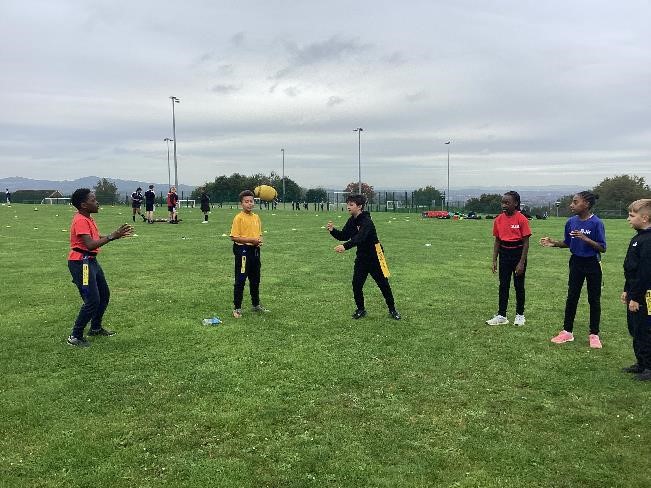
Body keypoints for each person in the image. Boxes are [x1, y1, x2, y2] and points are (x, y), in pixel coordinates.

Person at [66, 188, 133, 347]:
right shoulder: (80, 220)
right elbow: (89, 245)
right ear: (83, 205)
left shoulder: (87, 218)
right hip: (82, 262)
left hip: (91, 262)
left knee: (104, 295)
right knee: (92, 300)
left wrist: (114, 235)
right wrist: (111, 237)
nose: (97, 202)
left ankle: (95, 328)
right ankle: (75, 336)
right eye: (93, 200)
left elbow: (94, 238)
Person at [540, 191, 606, 348]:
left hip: (593, 263)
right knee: (572, 297)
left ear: (587, 204)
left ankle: (594, 334)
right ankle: (567, 332)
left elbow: (602, 248)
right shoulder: (571, 222)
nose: (571, 205)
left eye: (575, 202)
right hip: (576, 263)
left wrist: (585, 238)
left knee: (593, 299)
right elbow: (568, 243)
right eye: (572, 202)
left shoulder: (596, 223)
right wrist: (554, 243)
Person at [327, 194, 400, 320]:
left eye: (351, 204)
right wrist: (333, 230)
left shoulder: (367, 221)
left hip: (376, 256)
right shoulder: (352, 220)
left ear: (359, 206)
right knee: (356, 284)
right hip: (362, 257)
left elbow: (360, 238)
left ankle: (392, 310)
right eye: (348, 204)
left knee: (383, 284)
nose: (348, 207)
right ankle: (361, 309)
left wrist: (345, 247)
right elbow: (344, 235)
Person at [486, 191, 531, 326]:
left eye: (507, 202)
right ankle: (502, 315)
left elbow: (526, 242)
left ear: (515, 203)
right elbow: (497, 242)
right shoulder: (498, 219)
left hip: (518, 254)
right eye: (503, 202)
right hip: (504, 254)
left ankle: (520, 315)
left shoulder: (522, 219)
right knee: (503, 285)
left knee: (519, 286)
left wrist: (521, 262)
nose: (504, 205)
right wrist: (494, 260)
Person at [622, 199, 651, 380]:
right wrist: (627, 289)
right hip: (635, 291)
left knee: (645, 328)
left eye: (632, 216)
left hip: (646, 294)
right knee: (635, 328)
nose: (628, 219)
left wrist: (635, 297)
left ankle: (649, 367)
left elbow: (645, 273)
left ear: (645, 218)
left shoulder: (648, 241)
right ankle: (641, 363)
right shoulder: (638, 237)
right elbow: (631, 269)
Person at [230, 190, 268, 318]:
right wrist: (251, 241)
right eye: (246, 201)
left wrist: (259, 241)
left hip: (255, 251)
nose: (249, 204)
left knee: (255, 279)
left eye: (251, 201)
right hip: (243, 252)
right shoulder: (239, 218)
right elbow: (234, 237)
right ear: (241, 203)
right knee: (240, 280)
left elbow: (259, 234)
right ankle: (237, 308)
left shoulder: (256, 217)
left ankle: (256, 304)